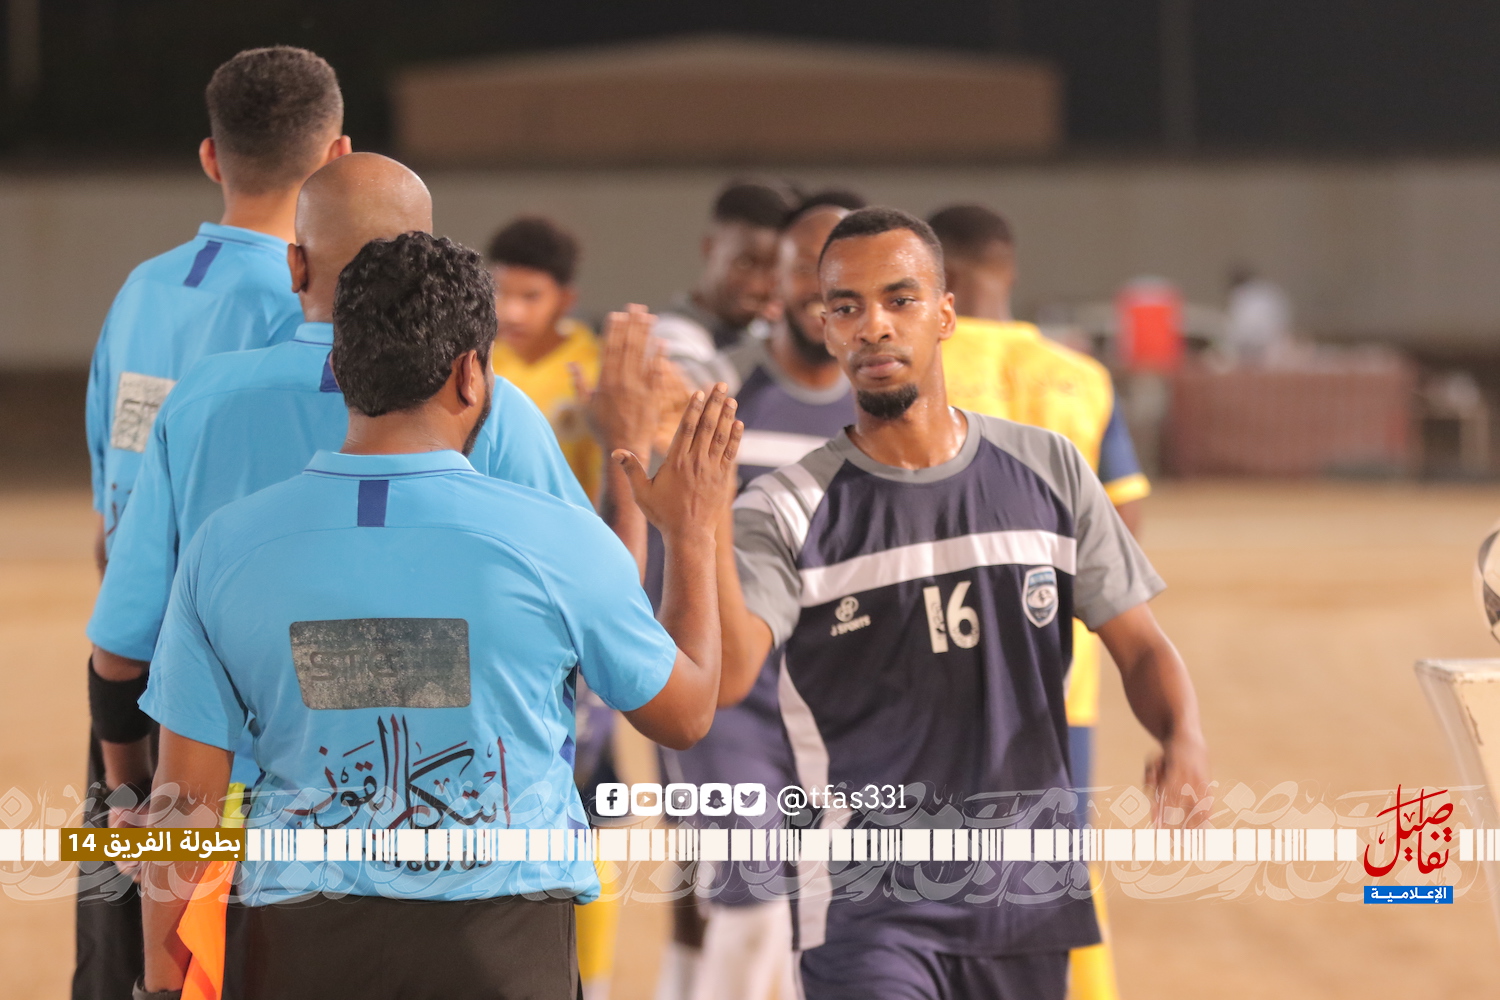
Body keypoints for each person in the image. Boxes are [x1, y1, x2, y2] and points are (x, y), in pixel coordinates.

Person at [137, 231, 747, 1000]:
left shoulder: (225, 548)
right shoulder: (557, 539)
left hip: (295, 944)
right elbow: (685, 713)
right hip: (504, 944)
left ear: (341, 366)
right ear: (470, 375)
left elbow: (183, 809)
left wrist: (159, 989)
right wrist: (691, 535)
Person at [715, 207, 1208, 1000]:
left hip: (1023, 901)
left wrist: (1182, 734)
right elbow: (730, 672)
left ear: (946, 314)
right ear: (826, 328)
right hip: (866, 906)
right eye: (847, 307)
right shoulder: (783, 508)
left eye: (899, 299)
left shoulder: (1051, 469)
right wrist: (691, 529)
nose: (874, 325)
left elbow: (1141, 643)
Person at [77, 45, 349, 1000]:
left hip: (121, 673)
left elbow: (109, 517)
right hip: (231, 710)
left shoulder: (139, 290)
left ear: (209, 155)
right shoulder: (302, 306)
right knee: (220, 961)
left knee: (117, 953)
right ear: (337, 157)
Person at [928, 202, 1152, 996]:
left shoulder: (920, 365)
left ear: (942, 278)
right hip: (1063, 676)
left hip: (935, 661)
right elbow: (1124, 522)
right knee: (1061, 868)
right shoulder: (1082, 377)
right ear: (1007, 269)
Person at [656, 194, 862, 1000]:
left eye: (837, 272)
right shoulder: (717, 397)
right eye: (803, 269)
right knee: (751, 904)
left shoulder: (885, 410)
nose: (821, 290)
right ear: (775, 281)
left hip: (848, 705)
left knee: (842, 917)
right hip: (735, 703)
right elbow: (673, 546)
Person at [487, 216, 604, 501]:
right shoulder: (475, 365)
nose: (512, 313)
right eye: (500, 291)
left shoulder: (597, 370)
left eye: (531, 297)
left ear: (565, 299)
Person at [653, 180, 793, 390]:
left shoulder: (763, 330)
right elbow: (683, 392)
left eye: (774, 267)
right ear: (709, 247)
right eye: (744, 263)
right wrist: (782, 344)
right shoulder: (665, 333)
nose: (757, 285)